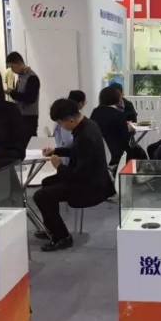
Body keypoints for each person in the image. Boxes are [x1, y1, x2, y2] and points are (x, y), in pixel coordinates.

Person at [35, 99, 115, 252]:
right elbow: (78, 152)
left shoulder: (85, 136)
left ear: (71, 120)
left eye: (60, 122)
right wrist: (56, 151)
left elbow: (79, 175)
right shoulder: (88, 125)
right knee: (47, 183)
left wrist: (59, 167)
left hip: (90, 187)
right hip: (90, 178)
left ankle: (62, 237)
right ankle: (52, 228)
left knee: (41, 196)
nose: (60, 126)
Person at [6, 52, 40, 147]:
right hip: (21, 115)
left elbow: (30, 98)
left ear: (19, 63)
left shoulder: (32, 77)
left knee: (29, 146)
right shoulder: (21, 77)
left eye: (12, 67)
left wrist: (12, 93)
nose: (12, 70)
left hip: (29, 117)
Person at [90, 86, 130, 166]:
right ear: (117, 99)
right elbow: (125, 139)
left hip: (96, 153)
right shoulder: (119, 115)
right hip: (115, 154)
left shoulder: (95, 112)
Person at [53, 90, 86, 166]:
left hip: (68, 156)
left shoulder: (67, 118)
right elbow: (68, 143)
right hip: (68, 157)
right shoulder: (66, 120)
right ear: (80, 103)